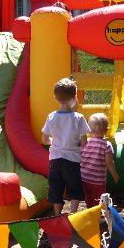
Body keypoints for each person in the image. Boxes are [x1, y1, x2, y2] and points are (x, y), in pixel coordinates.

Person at [42, 78, 91, 215]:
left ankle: (57, 215)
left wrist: (54, 142)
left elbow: (44, 139)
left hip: (55, 160)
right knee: (74, 187)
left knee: (56, 187)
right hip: (72, 160)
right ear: (74, 97)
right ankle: (73, 213)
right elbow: (84, 142)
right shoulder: (78, 118)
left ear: (55, 97)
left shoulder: (51, 117)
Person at [81, 113, 119, 208]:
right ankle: (97, 212)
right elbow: (109, 162)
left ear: (89, 130)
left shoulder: (85, 142)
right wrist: (115, 175)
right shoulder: (106, 145)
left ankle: (90, 210)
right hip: (98, 179)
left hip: (84, 176)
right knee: (99, 199)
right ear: (107, 130)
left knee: (88, 196)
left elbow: (80, 156)